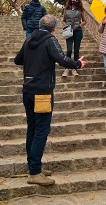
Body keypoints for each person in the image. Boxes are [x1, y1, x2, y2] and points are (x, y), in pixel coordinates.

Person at [14, 15, 86, 185]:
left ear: (40, 26)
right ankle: (35, 172)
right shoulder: (50, 40)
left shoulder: (30, 39)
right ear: (53, 28)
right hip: (42, 93)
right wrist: (78, 64)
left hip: (28, 90)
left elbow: (18, 60)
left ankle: (33, 165)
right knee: (41, 130)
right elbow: (62, 59)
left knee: (32, 128)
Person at [62, 0, 87, 77]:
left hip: (78, 31)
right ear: (70, 0)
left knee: (76, 50)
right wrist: (65, 26)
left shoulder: (81, 10)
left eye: (76, 0)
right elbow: (63, 20)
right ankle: (67, 67)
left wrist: (79, 26)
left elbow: (84, 21)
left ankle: (74, 68)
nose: (75, 1)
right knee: (69, 50)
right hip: (69, 31)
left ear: (78, 1)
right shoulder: (66, 9)